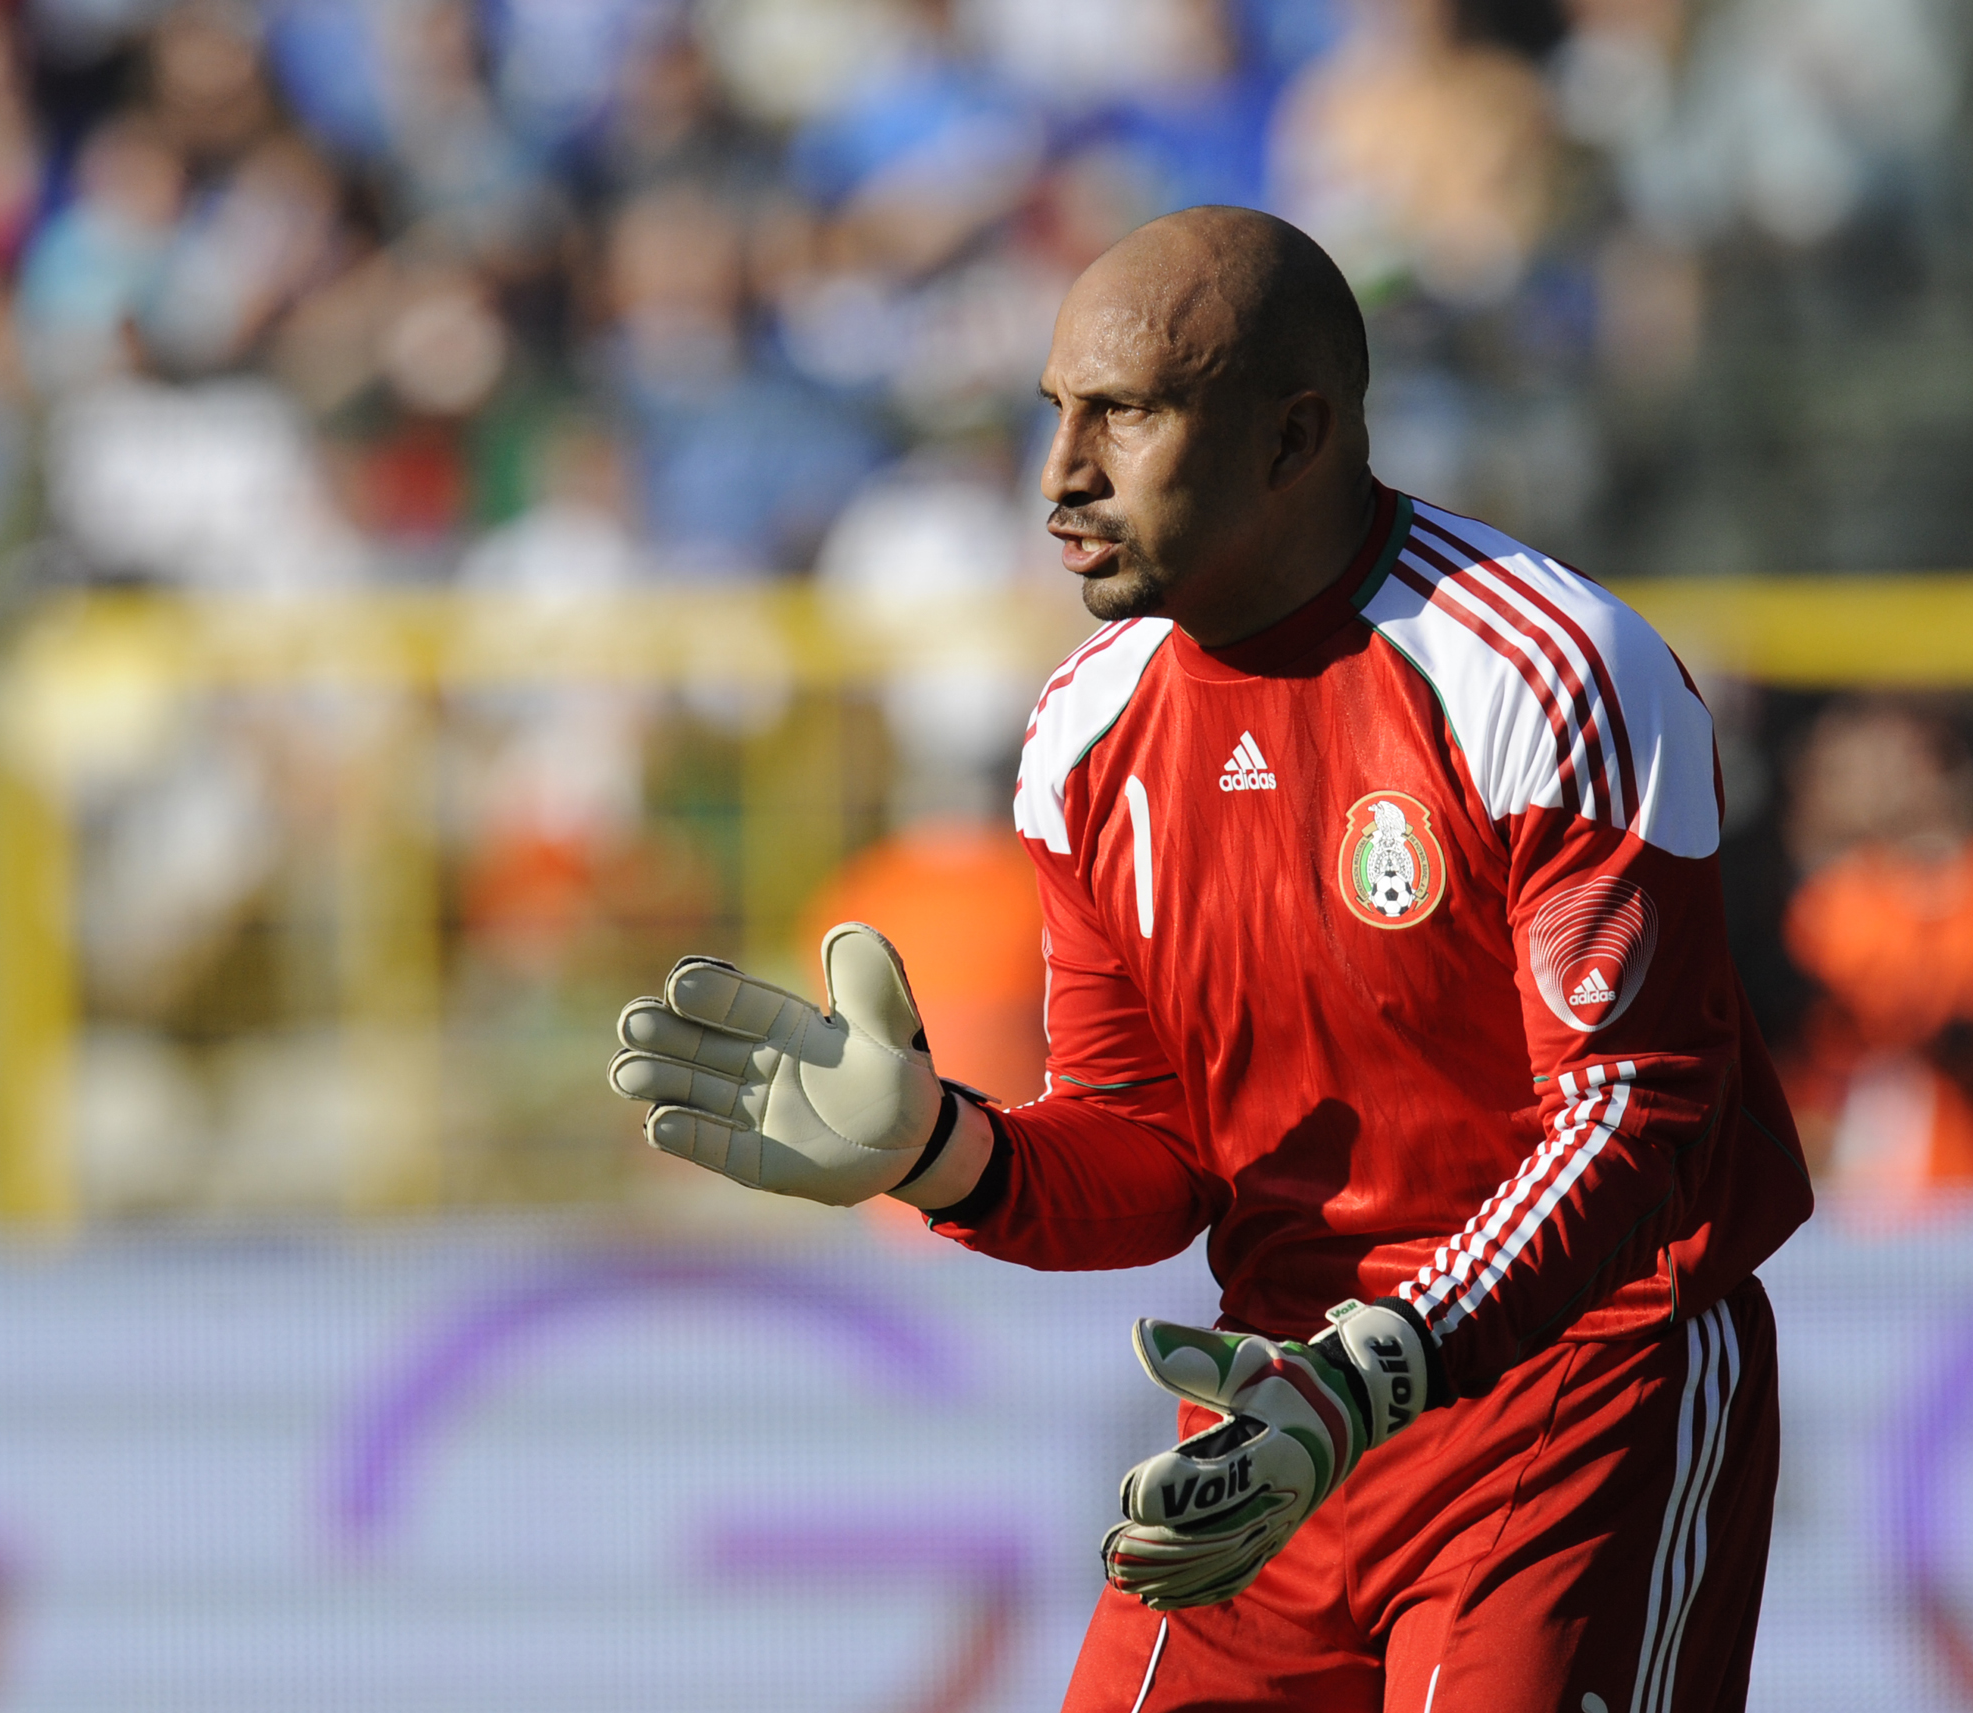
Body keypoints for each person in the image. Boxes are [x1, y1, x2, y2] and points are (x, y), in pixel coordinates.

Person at [609, 206, 1811, 1711]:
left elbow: (1635, 1123)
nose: (1061, 473)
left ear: (1293, 435)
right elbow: (1154, 1149)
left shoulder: (1547, 666)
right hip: (1275, 1415)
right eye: (1055, 412)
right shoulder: (1082, 730)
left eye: (1125, 413)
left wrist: (1376, 1368)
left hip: (1571, 1406)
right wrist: (942, 1149)